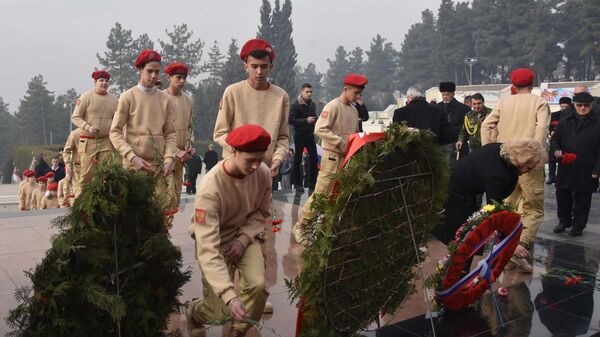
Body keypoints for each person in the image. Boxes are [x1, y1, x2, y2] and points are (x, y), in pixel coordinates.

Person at [186, 125, 272, 337]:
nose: (255, 166)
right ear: (233, 151)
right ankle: (193, 312)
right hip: (215, 241)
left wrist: (243, 239)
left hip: (246, 234)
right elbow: (207, 248)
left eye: (260, 159)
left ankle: (239, 331)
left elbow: (262, 212)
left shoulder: (263, 172)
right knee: (219, 313)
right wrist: (230, 296)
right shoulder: (209, 189)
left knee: (258, 286)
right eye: (250, 160)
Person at [481, 68, 550, 273]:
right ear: (533, 82)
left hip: (506, 160)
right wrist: (533, 155)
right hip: (530, 163)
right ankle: (519, 248)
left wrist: (491, 150)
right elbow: (542, 130)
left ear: (513, 83)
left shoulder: (504, 102)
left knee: (508, 207)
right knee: (533, 209)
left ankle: (507, 247)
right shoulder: (539, 102)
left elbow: (486, 125)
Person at [292, 74, 367, 244]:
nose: (358, 97)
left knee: (338, 195)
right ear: (346, 89)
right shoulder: (333, 106)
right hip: (332, 157)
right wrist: (340, 142)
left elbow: (355, 133)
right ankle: (302, 226)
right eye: (356, 93)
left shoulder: (354, 110)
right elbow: (320, 129)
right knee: (321, 194)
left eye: (360, 94)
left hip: (346, 158)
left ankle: (325, 228)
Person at [433, 139, 546, 245]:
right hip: (455, 193)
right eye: (529, 168)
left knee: (467, 237)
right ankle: (452, 263)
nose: (528, 172)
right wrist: (509, 242)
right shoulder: (498, 174)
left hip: (454, 182)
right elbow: (493, 207)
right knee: (465, 240)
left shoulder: (500, 149)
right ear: (523, 161)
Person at [109, 49, 177, 220]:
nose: (154, 75)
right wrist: (132, 157)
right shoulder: (127, 97)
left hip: (159, 167)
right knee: (133, 214)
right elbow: (115, 132)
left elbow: (170, 134)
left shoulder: (165, 99)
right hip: (134, 166)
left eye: (157, 71)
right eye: (149, 71)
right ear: (139, 69)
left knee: (159, 213)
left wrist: (169, 159)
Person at [213, 38, 289, 179]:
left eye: (263, 66)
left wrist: (278, 158)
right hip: (234, 167)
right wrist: (243, 153)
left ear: (270, 67)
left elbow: (283, 137)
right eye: (254, 66)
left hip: (265, 169)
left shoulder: (281, 96)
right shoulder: (232, 92)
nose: (259, 71)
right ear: (245, 66)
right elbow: (220, 133)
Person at [550, 92, 600, 236]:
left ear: (591, 106)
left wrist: (597, 169)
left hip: (587, 167)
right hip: (566, 165)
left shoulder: (597, 123)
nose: (582, 108)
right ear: (574, 105)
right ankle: (564, 220)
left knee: (583, 198)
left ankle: (579, 225)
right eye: (579, 105)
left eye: (586, 106)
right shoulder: (565, 121)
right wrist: (556, 151)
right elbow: (554, 141)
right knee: (562, 194)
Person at [71, 70, 118, 189]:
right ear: (95, 82)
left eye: (106, 81)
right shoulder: (86, 97)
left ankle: (105, 201)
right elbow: (75, 117)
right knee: (87, 174)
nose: (104, 83)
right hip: (88, 140)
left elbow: (118, 119)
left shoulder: (114, 100)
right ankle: (83, 202)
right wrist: (88, 127)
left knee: (107, 173)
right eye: (101, 80)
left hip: (107, 141)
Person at [163, 61, 195, 209]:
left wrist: (190, 145)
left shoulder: (188, 100)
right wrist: (176, 152)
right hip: (165, 156)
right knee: (166, 197)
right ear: (169, 77)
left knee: (176, 197)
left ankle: (167, 229)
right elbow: (157, 132)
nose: (182, 81)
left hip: (182, 158)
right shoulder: (160, 98)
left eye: (184, 78)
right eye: (178, 77)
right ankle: (161, 231)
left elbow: (190, 127)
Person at [289, 83, 318, 192]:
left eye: (311, 92)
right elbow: (291, 120)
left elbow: (313, 117)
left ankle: (312, 183)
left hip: (310, 135)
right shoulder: (295, 105)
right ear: (302, 92)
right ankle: (298, 184)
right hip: (299, 134)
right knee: (297, 160)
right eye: (307, 92)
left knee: (314, 159)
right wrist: (306, 120)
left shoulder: (313, 104)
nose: (309, 94)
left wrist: (315, 119)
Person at [436, 81, 470, 160]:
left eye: (447, 94)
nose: (445, 97)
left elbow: (465, 128)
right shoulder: (436, 108)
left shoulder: (463, 109)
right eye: (443, 94)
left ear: (453, 94)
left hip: (457, 145)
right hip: (441, 145)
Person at [546, 97, 572, 185]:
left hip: (567, 142)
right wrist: (551, 131)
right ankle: (552, 177)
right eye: (562, 106)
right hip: (555, 140)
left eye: (566, 106)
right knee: (552, 160)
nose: (564, 108)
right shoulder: (554, 115)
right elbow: (549, 126)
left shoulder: (572, 116)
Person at [63, 129, 82, 198]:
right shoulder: (75, 134)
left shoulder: (98, 132)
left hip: (93, 167)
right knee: (79, 193)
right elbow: (66, 151)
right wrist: (68, 164)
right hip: (78, 169)